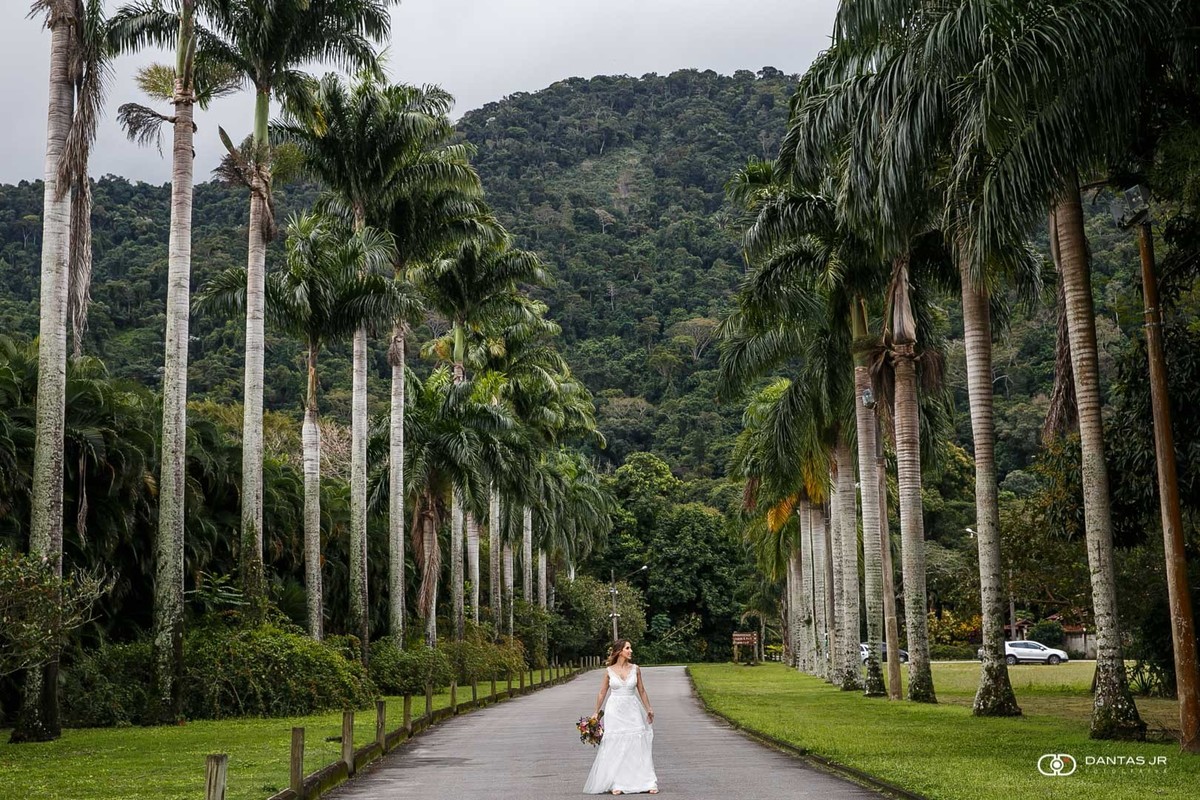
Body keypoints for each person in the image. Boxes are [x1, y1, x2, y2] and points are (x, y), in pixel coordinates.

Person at [582, 639, 659, 795]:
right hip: (615, 710)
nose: (631, 651)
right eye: (628, 648)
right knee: (617, 744)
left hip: (632, 708)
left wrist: (649, 709)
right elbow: (602, 692)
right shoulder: (609, 671)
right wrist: (596, 712)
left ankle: (646, 781)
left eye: (630, 648)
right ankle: (618, 781)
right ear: (619, 651)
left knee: (637, 744)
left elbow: (642, 690)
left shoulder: (636, 669)